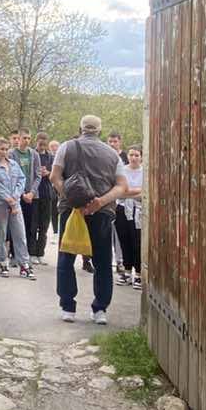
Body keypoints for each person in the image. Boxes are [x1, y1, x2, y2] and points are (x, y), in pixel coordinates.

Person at [52, 114, 127, 324]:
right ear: (100, 130)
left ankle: (68, 308)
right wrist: (100, 202)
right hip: (101, 212)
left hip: (71, 212)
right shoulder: (112, 154)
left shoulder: (66, 147)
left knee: (67, 257)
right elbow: (122, 186)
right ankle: (100, 310)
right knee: (102, 261)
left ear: (81, 128)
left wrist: (71, 198)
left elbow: (54, 177)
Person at [0, 137, 34, 278]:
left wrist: (16, 196)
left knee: (20, 234)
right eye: (1, 149)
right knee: (1, 234)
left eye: (6, 149)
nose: (4, 152)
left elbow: (21, 180)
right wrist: (10, 200)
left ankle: (24, 264)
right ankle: (2, 262)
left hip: (16, 203)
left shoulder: (13, 164)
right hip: (0, 205)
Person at [115, 144, 143, 287]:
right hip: (122, 209)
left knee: (137, 242)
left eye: (136, 155)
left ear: (141, 157)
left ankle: (138, 274)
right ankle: (126, 272)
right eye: (131, 155)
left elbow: (145, 193)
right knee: (124, 241)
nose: (133, 158)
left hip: (138, 211)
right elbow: (119, 191)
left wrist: (128, 192)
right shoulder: (122, 171)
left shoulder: (145, 172)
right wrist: (136, 191)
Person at [30, 132, 53, 262]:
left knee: (44, 226)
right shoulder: (32, 154)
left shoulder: (51, 157)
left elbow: (56, 174)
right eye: (40, 141)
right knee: (33, 225)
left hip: (46, 194)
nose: (43, 143)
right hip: (34, 194)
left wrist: (48, 173)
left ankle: (40, 253)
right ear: (36, 141)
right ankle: (32, 253)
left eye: (45, 141)